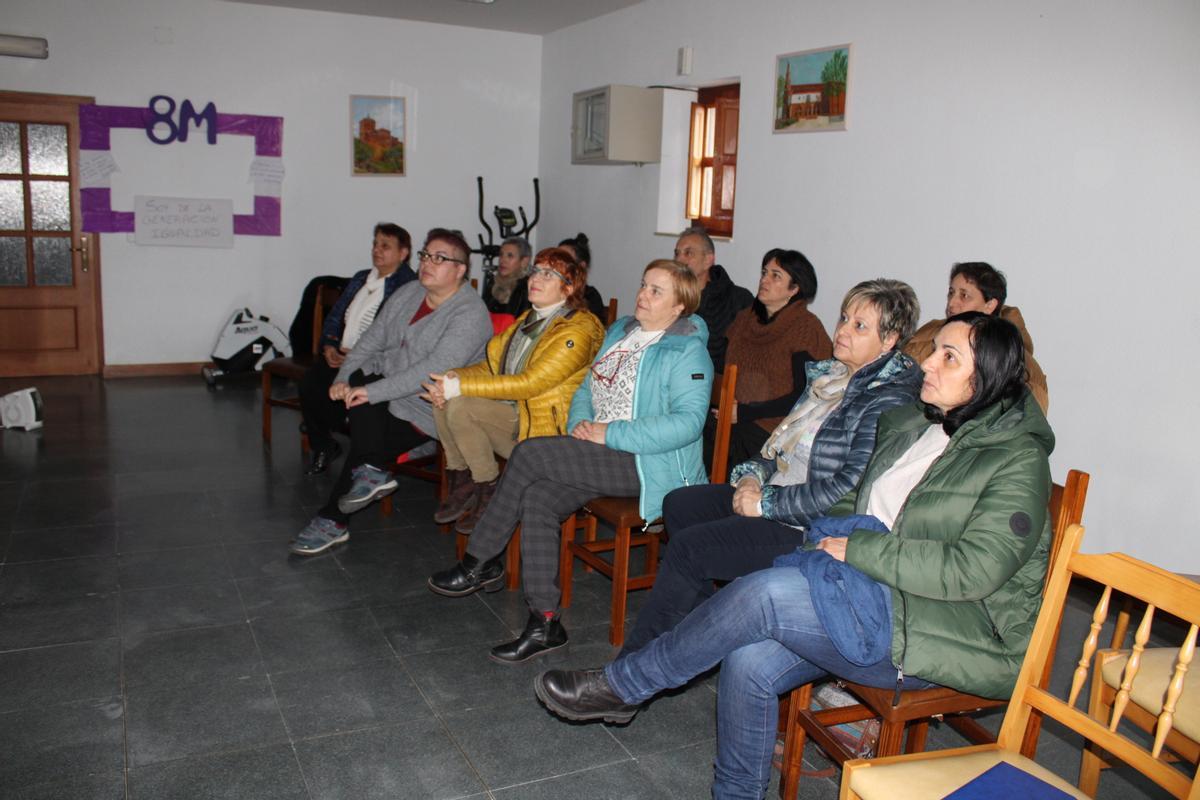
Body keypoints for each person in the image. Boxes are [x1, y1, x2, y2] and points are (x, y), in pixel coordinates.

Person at [535, 311, 1054, 800]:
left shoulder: (1017, 461)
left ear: (983, 380)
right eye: (934, 351)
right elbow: (856, 501)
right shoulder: (920, 426)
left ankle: (627, 684)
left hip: (946, 630)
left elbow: (973, 570)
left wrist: (856, 549)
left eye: (948, 357)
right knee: (748, 657)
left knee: (764, 594)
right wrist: (820, 538)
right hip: (871, 588)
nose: (927, 363)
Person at [427, 260, 712, 664]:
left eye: (656, 291)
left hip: (648, 464)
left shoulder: (688, 351)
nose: (642, 296)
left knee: (528, 454)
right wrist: (581, 422)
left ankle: (479, 560)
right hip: (600, 449)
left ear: (680, 306)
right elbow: (586, 387)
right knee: (540, 497)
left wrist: (609, 433)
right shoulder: (622, 332)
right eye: (643, 285)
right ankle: (545, 622)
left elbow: (687, 424)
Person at [622, 278, 923, 657]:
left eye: (859, 326)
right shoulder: (831, 378)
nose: (842, 330)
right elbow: (775, 447)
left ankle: (632, 667)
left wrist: (764, 503)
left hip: (810, 526)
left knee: (689, 548)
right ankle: (706, 631)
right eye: (844, 317)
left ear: (890, 339)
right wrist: (751, 478)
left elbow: (848, 489)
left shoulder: (886, 400)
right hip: (777, 495)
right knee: (680, 504)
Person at [289, 229, 493, 556]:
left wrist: (368, 391)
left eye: (439, 258)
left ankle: (333, 517)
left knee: (365, 439)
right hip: (389, 388)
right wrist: (344, 377)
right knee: (341, 383)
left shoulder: (470, 313)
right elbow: (370, 340)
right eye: (426, 255)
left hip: (430, 407)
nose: (427, 262)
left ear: (460, 270)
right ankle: (371, 474)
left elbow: (431, 371)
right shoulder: (410, 291)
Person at [422, 246, 605, 534]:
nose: (536, 278)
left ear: (569, 287)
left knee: (460, 404)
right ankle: (463, 478)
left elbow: (531, 383)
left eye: (549, 274)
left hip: (548, 435)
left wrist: (459, 388)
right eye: (536, 270)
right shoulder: (528, 320)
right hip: (516, 417)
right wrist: (452, 377)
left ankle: (487, 486)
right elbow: (494, 367)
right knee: (443, 398)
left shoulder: (577, 329)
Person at [298, 223, 416, 475]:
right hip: (342, 354)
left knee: (337, 395)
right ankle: (324, 445)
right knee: (310, 383)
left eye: (385, 246)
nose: (377, 250)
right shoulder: (362, 277)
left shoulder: (408, 286)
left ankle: (347, 439)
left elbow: (394, 334)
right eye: (375, 243)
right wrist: (329, 344)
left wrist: (356, 356)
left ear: (403, 253)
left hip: (372, 361)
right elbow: (336, 315)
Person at [715, 248, 833, 470]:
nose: (764, 280)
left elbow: (804, 396)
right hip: (734, 417)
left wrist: (744, 412)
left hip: (776, 428)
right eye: (764, 272)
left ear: (794, 289)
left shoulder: (805, 327)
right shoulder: (744, 319)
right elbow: (722, 368)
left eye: (775, 275)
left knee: (732, 439)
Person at [905, 261, 1049, 412]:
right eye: (951, 292)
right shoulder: (929, 330)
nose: (952, 303)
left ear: (990, 305)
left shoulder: (1016, 360)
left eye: (964, 295)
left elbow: (1022, 419)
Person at [673, 226, 753, 371]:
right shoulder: (669, 296)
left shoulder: (738, 299)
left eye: (688, 253)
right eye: (677, 253)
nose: (679, 259)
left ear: (708, 260)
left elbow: (748, 355)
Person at [558, 233, 609, 322]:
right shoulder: (545, 290)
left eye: (565, 260)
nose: (557, 264)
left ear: (581, 267)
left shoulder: (591, 297)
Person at [480, 237, 532, 317]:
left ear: (524, 261)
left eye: (510, 256)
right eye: (501, 255)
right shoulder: (492, 283)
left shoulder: (527, 288)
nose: (503, 260)